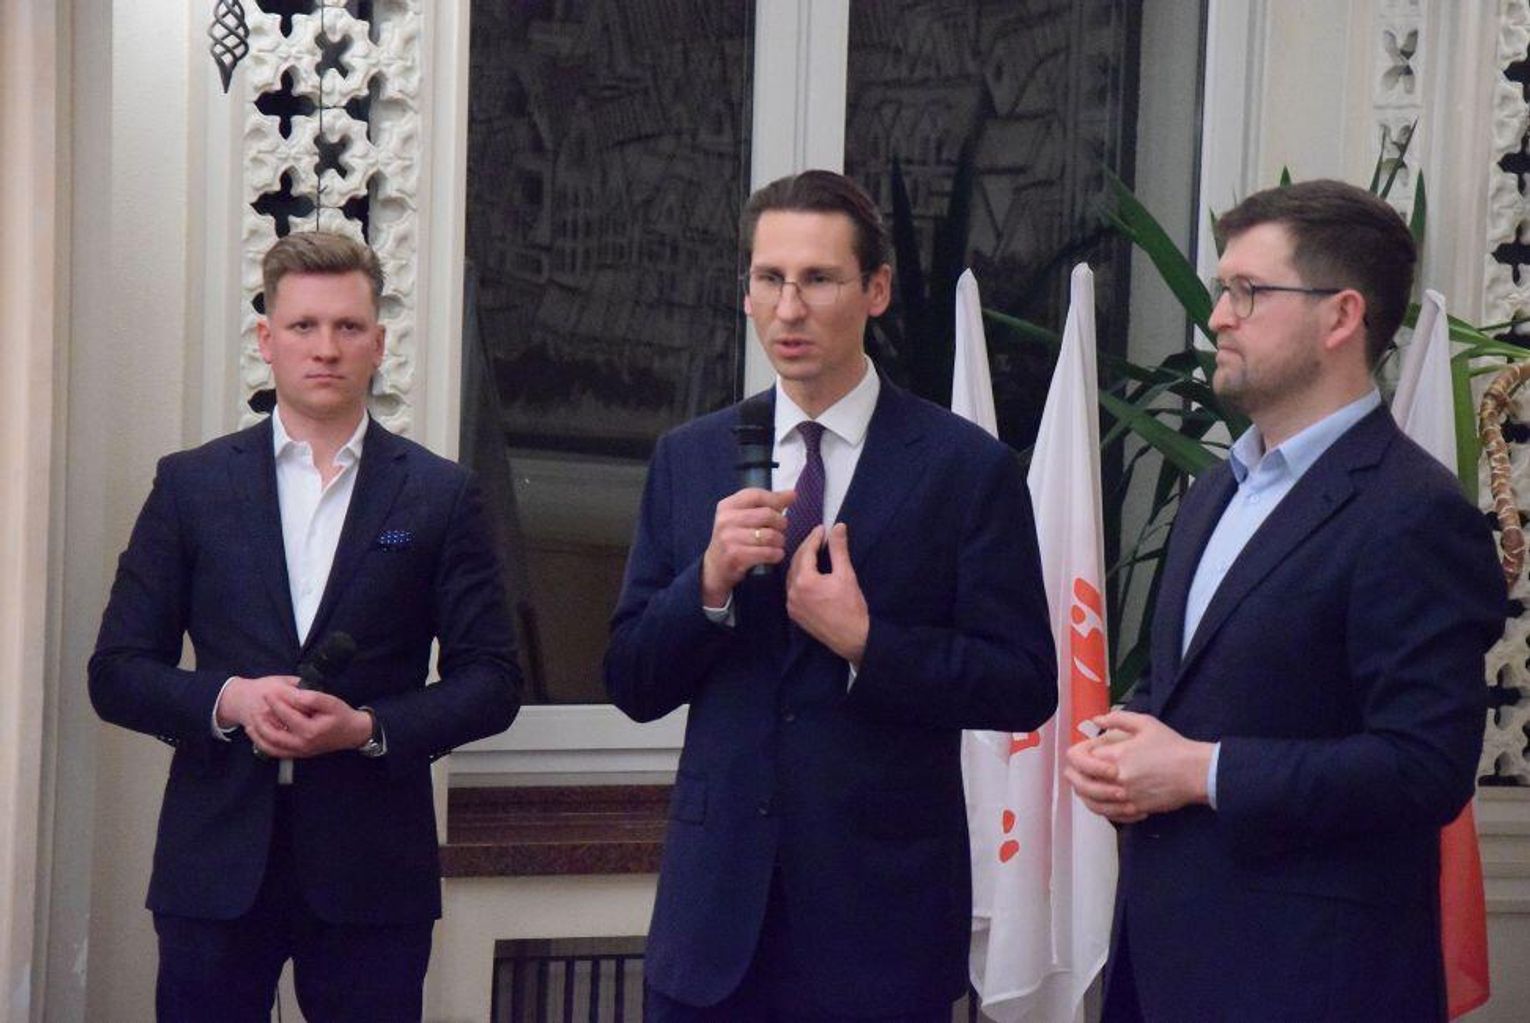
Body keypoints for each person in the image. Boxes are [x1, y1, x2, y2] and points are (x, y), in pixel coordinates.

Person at [604, 170, 1057, 1021]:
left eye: (818, 279)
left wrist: (867, 642)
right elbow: (631, 679)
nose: (790, 308)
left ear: (876, 290)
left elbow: (1024, 683)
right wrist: (707, 582)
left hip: (880, 927)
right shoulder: (691, 457)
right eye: (770, 279)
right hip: (712, 931)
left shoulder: (965, 468)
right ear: (745, 292)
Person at [1065, 180, 1506, 1021]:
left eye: (1247, 291)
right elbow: (1193, 685)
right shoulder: (1216, 490)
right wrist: (1127, 745)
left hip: (1311, 982)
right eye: (1221, 289)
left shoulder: (1414, 512)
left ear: (1341, 316)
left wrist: (1200, 771)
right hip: (1164, 968)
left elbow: (1425, 766)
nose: (1217, 317)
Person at [90, 230, 522, 1022]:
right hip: (214, 861)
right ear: (267, 340)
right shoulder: (191, 485)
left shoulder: (441, 495)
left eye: (348, 326)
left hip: (373, 869)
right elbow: (116, 670)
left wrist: (368, 727)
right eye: (303, 326)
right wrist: (232, 700)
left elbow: (492, 680)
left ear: (379, 343)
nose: (326, 347)